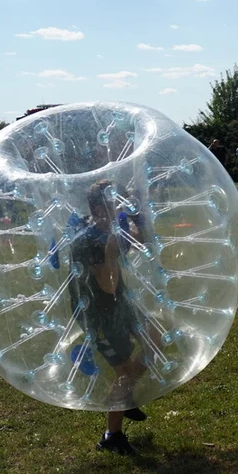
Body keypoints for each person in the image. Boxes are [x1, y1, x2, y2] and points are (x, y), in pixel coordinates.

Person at [70, 179, 149, 455]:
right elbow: (108, 285)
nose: (119, 209)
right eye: (112, 204)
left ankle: (122, 396)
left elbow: (144, 242)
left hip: (120, 301)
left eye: (120, 203)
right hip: (96, 312)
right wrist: (112, 249)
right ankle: (111, 436)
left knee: (156, 340)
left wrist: (139, 218)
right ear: (95, 207)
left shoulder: (115, 227)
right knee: (125, 372)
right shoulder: (87, 239)